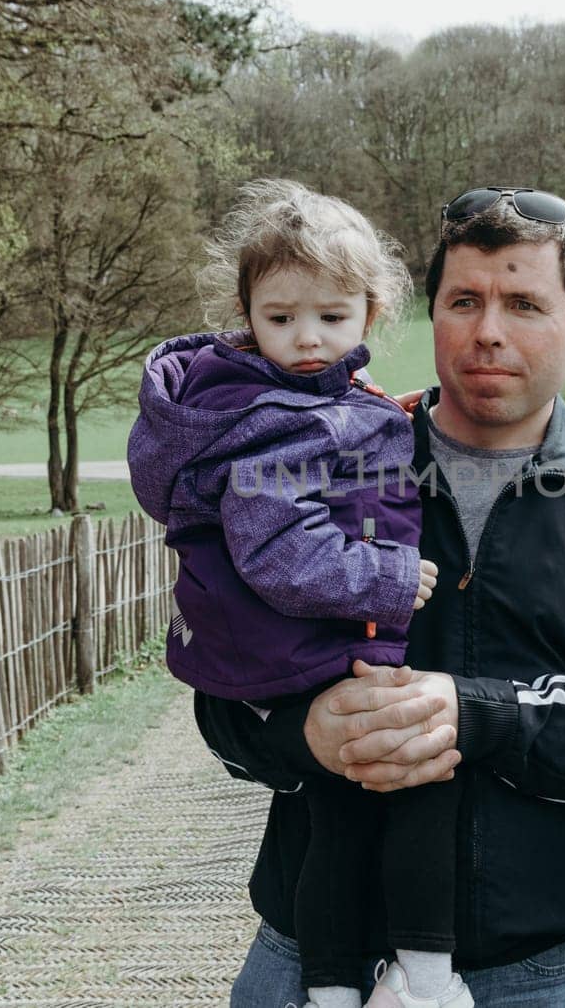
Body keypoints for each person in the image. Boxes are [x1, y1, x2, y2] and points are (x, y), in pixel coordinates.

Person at [196, 185, 565, 1007]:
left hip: (533, 976)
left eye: (525, 302)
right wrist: (304, 733)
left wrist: (485, 715)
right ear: (428, 314)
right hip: (307, 966)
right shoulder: (308, 468)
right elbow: (218, 685)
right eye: (465, 300)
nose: (489, 330)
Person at [128, 178, 472, 1008]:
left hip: (305, 646)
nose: (306, 339)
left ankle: (329, 991)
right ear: (245, 311)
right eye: (279, 319)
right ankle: (423, 979)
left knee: (338, 819)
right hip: (320, 644)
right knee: (422, 785)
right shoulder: (277, 415)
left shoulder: (300, 397)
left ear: (372, 310)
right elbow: (276, 544)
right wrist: (388, 578)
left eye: (329, 316)